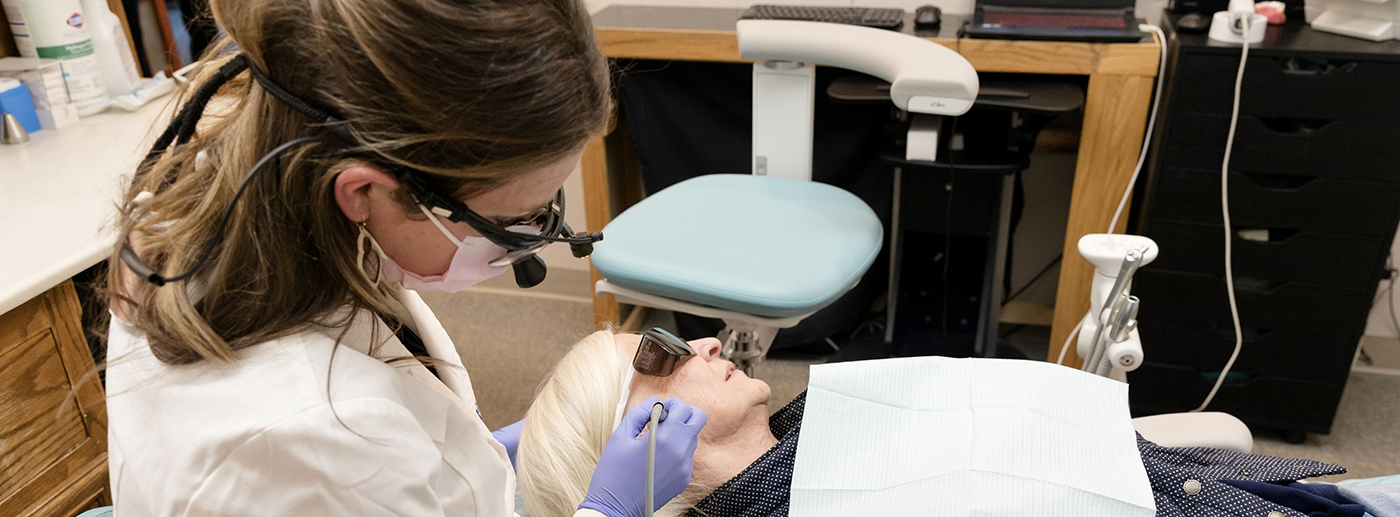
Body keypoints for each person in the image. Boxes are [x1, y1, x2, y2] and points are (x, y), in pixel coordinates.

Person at [101, 0, 706, 515]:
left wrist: (470, 453)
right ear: (363, 191)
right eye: (508, 223)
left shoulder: (256, 210)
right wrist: (607, 509)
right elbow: (350, 462)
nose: (525, 243)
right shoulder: (316, 435)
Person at [518, 331, 1399, 517]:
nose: (700, 340)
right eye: (658, 360)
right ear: (634, 442)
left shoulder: (822, 420)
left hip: (1282, 491)